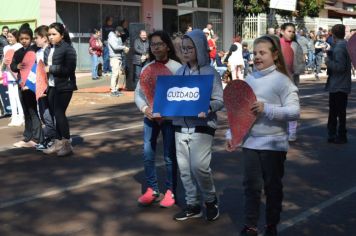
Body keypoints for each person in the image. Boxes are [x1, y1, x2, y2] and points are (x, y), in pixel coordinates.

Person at [226, 34, 300, 236]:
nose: (257, 56)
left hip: (274, 145)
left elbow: (294, 112)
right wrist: (231, 135)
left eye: (262, 52)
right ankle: (250, 225)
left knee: (272, 187)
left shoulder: (282, 81)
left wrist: (267, 109)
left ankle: (271, 225)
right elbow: (239, 110)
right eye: (255, 52)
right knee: (251, 186)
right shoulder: (250, 78)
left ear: (275, 55)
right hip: (251, 143)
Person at [173, 29, 223, 222]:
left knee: (199, 167)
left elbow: (219, 99)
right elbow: (172, 97)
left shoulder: (211, 73)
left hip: (203, 125)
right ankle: (193, 205)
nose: (185, 52)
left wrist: (208, 107)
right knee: (184, 169)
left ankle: (210, 201)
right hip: (179, 126)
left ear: (200, 48)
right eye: (183, 49)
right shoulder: (179, 71)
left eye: (190, 48)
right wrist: (163, 108)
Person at [134, 30, 181, 208]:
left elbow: (184, 96)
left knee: (170, 156)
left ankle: (171, 191)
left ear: (167, 46)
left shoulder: (177, 68)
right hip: (150, 118)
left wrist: (171, 112)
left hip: (170, 120)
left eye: (159, 44)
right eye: (153, 45)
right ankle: (152, 189)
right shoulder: (147, 68)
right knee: (148, 155)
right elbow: (138, 94)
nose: (155, 47)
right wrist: (145, 109)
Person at [42, 22, 77, 156]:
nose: (50, 37)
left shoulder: (68, 49)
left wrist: (50, 69)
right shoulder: (48, 49)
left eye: (54, 34)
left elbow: (69, 69)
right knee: (54, 113)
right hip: (51, 86)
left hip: (65, 86)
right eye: (49, 34)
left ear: (62, 35)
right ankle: (57, 143)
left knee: (59, 113)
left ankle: (67, 144)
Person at [11, 25, 44, 148]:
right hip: (21, 85)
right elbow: (13, 65)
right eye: (22, 38)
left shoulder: (35, 49)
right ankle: (27, 136)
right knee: (25, 111)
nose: (24, 40)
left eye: (27, 38)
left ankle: (38, 137)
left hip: (31, 85)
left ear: (31, 38)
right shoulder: (18, 52)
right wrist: (17, 66)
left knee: (33, 110)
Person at [325, 24, 352, 144]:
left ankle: (336, 134)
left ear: (333, 34)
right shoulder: (345, 45)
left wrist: (328, 62)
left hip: (338, 85)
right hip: (342, 84)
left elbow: (340, 67)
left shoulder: (340, 48)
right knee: (340, 112)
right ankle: (340, 134)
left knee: (335, 112)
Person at [33, 25, 57, 151]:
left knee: (48, 114)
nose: (35, 40)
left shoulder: (49, 51)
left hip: (48, 88)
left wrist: (45, 88)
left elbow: (48, 70)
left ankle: (53, 139)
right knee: (43, 113)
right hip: (41, 87)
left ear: (43, 38)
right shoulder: (38, 52)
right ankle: (50, 138)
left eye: (36, 37)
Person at [280, 22, 304, 142]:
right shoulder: (275, 45)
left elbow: (300, 65)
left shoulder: (295, 46)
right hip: (276, 82)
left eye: (293, 32)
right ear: (282, 31)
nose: (291, 33)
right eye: (289, 31)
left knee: (292, 107)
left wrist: (293, 72)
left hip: (291, 82)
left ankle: (292, 132)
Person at [1, 28, 24, 126]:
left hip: (17, 75)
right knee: (11, 96)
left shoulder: (19, 46)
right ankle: (14, 117)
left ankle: (21, 116)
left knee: (18, 96)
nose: (9, 38)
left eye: (11, 37)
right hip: (8, 74)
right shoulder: (6, 47)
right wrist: (2, 68)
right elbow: (4, 61)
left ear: (16, 37)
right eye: (8, 37)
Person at [108, 26, 129, 96]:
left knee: (118, 74)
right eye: (120, 33)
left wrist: (124, 48)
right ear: (116, 31)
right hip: (114, 58)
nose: (120, 34)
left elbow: (120, 46)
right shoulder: (111, 37)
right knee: (115, 74)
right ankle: (113, 90)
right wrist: (124, 47)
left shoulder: (119, 38)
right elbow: (115, 47)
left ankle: (116, 89)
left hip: (119, 57)